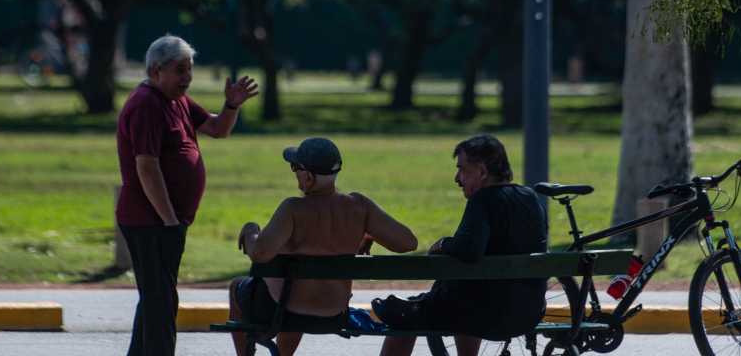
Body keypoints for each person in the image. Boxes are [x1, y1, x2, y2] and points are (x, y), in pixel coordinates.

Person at [116, 34, 258, 356]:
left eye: (189, 70)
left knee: (157, 299)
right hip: (148, 221)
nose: (187, 78)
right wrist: (168, 220)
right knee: (162, 304)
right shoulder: (146, 104)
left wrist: (232, 105)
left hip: (168, 222)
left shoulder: (176, 100)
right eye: (180, 70)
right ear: (156, 71)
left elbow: (218, 128)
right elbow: (147, 168)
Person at [232, 137, 418, 356]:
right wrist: (369, 232)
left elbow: (260, 253)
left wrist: (250, 230)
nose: (294, 173)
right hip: (334, 314)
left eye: (295, 168)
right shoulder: (359, 207)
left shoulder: (293, 209)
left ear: (309, 177)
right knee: (293, 289)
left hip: (283, 313)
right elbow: (408, 243)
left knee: (237, 286)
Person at [376, 134, 549, 356]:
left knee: (402, 318)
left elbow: (469, 250)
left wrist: (442, 244)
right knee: (469, 293)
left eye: (462, 169)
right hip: (527, 314)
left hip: (482, 315)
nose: (457, 178)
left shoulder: (483, 200)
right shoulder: (530, 198)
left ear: (482, 172)